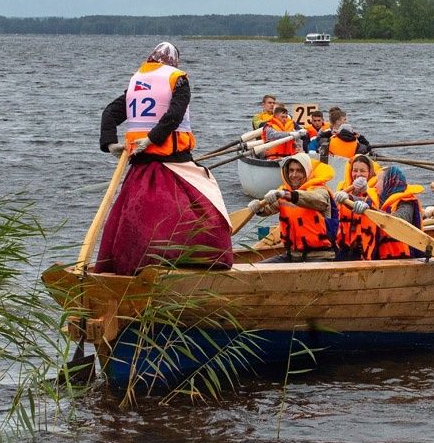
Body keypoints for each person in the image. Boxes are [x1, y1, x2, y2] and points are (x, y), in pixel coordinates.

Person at [96, 41, 233, 274]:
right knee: (210, 218)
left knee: (131, 222)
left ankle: (127, 267)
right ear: (174, 61)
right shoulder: (177, 79)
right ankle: (192, 262)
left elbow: (109, 113)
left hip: (140, 168)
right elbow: (175, 114)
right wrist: (153, 138)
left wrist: (110, 143)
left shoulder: (137, 82)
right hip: (173, 164)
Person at [256, 152, 336, 261]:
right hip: (292, 254)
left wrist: (286, 195)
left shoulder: (320, 191)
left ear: (307, 172)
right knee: (257, 269)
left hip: (320, 255)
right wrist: (259, 207)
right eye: (291, 170)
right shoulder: (283, 192)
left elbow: (316, 199)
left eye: (299, 171)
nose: (294, 175)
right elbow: (268, 209)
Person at [335, 164, 426, 260]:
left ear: (388, 182)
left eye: (378, 181)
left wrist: (370, 210)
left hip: (401, 260)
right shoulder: (379, 199)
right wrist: (347, 197)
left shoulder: (406, 203)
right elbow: (359, 201)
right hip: (376, 257)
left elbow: (396, 221)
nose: (375, 185)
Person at [332, 154, 381, 260]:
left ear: (370, 172)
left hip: (365, 248)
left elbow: (377, 207)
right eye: (355, 170)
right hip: (344, 246)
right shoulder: (343, 188)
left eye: (362, 171)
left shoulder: (376, 189)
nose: (358, 174)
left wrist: (366, 190)